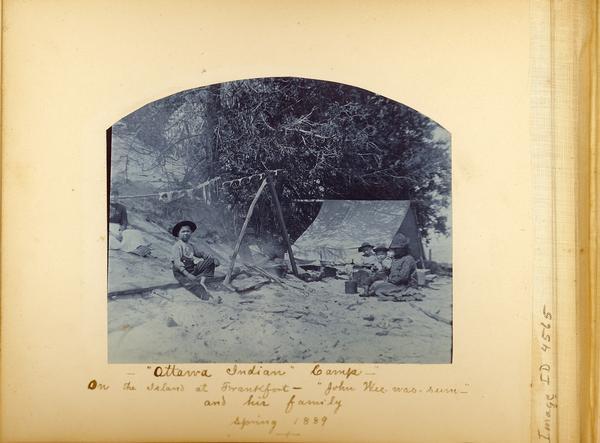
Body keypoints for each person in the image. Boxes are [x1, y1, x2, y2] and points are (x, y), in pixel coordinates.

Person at [108, 189, 151, 256]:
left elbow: (124, 221)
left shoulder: (122, 207)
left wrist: (121, 231)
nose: (113, 197)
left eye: (115, 195)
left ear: (118, 196)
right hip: (108, 230)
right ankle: (135, 250)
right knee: (111, 241)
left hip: (118, 228)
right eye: (111, 195)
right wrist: (113, 234)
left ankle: (140, 247)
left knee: (134, 233)